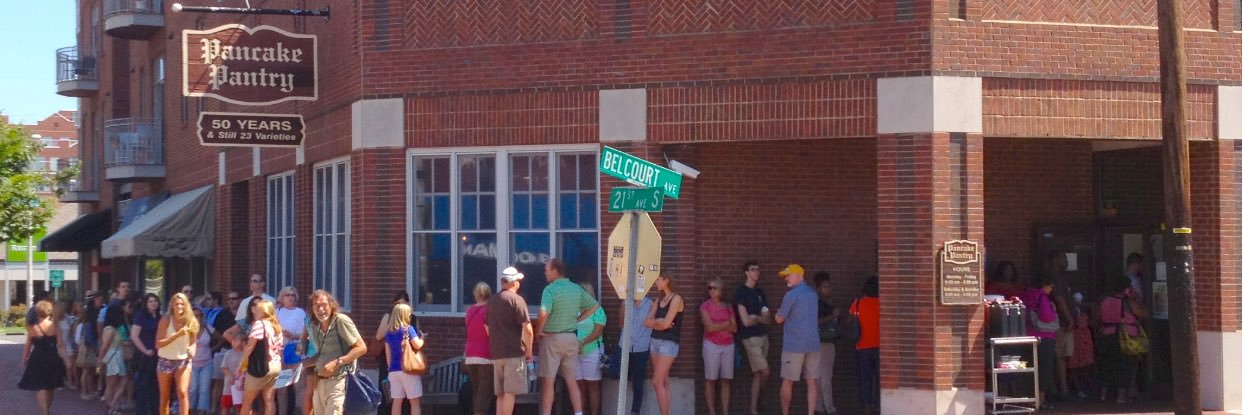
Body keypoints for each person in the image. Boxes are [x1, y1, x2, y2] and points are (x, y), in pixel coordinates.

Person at [535, 258, 599, 415]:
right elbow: (594, 306)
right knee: (572, 380)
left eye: (547, 270)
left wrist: (539, 329)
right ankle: (578, 413)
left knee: (548, 382)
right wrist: (577, 319)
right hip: (571, 338)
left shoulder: (549, 290)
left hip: (552, 338)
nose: (545, 273)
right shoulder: (576, 288)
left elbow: (544, 312)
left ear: (555, 271)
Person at [306, 290, 367, 415]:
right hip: (320, 382)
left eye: (324, 305)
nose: (321, 309)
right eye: (317, 306)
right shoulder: (315, 325)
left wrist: (337, 362)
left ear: (331, 305)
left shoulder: (341, 320)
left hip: (339, 381)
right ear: (312, 308)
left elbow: (361, 348)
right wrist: (300, 365)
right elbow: (322, 354)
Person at [773, 265, 820, 415]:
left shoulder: (791, 295)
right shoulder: (813, 294)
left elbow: (780, 319)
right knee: (812, 381)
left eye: (789, 275)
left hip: (794, 345)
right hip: (813, 344)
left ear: (800, 276)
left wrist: (775, 314)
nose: (786, 278)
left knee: (788, 380)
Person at [487, 267, 533, 415]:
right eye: (518, 280)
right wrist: (529, 351)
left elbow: (486, 326)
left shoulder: (493, 300)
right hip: (513, 352)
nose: (519, 283)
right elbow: (528, 329)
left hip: (497, 353)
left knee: (500, 393)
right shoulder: (517, 300)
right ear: (514, 283)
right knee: (510, 393)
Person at [1097, 275, 1147, 404]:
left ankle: (1103, 394)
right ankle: (1121, 396)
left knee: (1107, 364)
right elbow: (1142, 313)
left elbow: (1097, 317)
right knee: (1125, 365)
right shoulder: (1127, 301)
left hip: (1106, 334)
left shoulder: (1104, 299)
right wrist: (1135, 296)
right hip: (1125, 337)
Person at [734, 260, 773, 415]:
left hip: (763, 336)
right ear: (746, 273)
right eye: (753, 269)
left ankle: (754, 409)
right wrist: (757, 318)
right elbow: (745, 321)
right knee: (766, 372)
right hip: (750, 338)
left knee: (758, 374)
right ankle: (760, 400)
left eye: (758, 269)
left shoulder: (760, 293)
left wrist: (755, 317)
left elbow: (768, 319)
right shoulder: (741, 293)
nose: (756, 272)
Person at [643, 274, 683, 415]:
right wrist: (658, 322)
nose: (656, 283)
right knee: (663, 381)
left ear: (666, 281)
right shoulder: (658, 299)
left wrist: (659, 322)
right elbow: (646, 322)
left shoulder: (677, 298)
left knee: (656, 381)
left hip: (669, 343)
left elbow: (666, 323)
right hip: (655, 341)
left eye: (658, 280)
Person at [19, 300, 67, 415]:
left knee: (40, 386)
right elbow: (60, 344)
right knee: (51, 385)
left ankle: (44, 412)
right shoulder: (55, 326)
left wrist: (25, 358)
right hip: (52, 357)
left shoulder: (32, 327)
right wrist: (67, 359)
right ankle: (47, 410)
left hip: (37, 358)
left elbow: (28, 345)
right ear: (49, 311)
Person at [158, 293, 201, 415]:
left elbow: (193, 342)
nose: (179, 306)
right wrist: (177, 335)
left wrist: (193, 349)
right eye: (177, 304)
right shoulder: (166, 320)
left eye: (182, 304)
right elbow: (158, 344)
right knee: (165, 396)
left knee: (182, 391)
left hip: (182, 360)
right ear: (172, 306)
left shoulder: (190, 320)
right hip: (165, 359)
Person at [238, 300, 283, 415]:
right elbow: (281, 349)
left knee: (247, 401)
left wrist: (240, 364)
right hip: (275, 365)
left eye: (258, 309)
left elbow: (250, 346)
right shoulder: (277, 326)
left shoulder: (259, 324)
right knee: (269, 400)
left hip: (261, 366)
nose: (255, 311)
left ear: (264, 311)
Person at [1022, 274, 1059, 410]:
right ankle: (1041, 400)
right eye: (1051, 287)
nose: (1051, 290)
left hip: (1028, 335)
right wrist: (1053, 309)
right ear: (1045, 285)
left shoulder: (1025, 295)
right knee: (1044, 369)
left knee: (1031, 367)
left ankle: (1030, 398)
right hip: (1044, 336)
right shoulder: (1042, 296)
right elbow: (1047, 317)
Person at [700, 277, 736, 415]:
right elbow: (709, 327)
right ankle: (712, 412)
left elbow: (735, 328)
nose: (711, 290)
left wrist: (720, 326)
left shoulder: (728, 306)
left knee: (726, 380)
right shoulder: (705, 306)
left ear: (720, 290)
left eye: (714, 288)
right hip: (712, 345)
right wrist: (726, 324)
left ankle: (725, 412)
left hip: (728, 345)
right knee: (711, 379)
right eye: (709, 287)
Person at [383, 303, 425, 415]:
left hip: (393, 370)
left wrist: (389, 367)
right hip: (408, 369)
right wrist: (422, 338)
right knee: (414, 401)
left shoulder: (388, 333)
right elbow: (417, 345)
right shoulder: (408, 329)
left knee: (397, 401)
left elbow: (388, 353)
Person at [618, 292, 653, 415]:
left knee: (638, 380)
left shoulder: (650, 304)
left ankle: (635, 411)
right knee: (622, 377)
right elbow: (621, 323)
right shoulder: (625, 303)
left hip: (641, 346)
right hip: (626, 345)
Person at [575, 282, 607, 415]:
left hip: (592, 351)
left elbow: (597, 331)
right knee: (579, 386)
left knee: (592, 385)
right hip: (575, 353)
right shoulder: (574, 310)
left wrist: (582, 342)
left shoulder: (598, 310)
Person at [850, 276, 880, 414]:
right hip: (881, 347)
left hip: (862, 347)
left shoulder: (858, 303)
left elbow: (850, 320)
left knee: (865, 380)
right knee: (880, 380)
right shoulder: (883, 303)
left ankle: (867, 409)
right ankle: (880, 407)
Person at [463, 282, 494, 415]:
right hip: (486, 355)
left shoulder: (469, 311)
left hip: (470, 355)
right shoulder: (489, 310)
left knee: (476, 390)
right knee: (484, 392)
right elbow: (490, 333)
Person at [275, 287, 307, 415]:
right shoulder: (277, 312)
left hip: (295, 351)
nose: (290, 297)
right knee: (281, 388)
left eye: (293, 295)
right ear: (282, 298)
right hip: (281, 353)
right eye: (287, 295)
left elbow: (305, 336)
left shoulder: (300, 313)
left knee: (299, 387)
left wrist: (293, 336)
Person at [813, 272, 839, 415]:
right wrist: (833, 316)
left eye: (829, 286)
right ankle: (829, 408)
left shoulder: (821, 303)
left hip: (820, 342)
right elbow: (816, 322)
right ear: (818, 288)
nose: (828, 289)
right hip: (824, 342)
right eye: (825, 287)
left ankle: (819, 407)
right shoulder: (820, 304)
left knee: (819, 376)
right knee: (826, 377)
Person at [210, 291, 241, 415]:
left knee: (237, 381)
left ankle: (235, 407)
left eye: (234, 298)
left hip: (239, 352)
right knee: (219, 381)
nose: (232, 301)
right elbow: (216, 332)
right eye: (229, 299)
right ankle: (213, 408)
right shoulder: (222, 314)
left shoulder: (244, 315)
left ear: (240, 300)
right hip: (224, 350)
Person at [133, 293, 163, 415]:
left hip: (157, 355)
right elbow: (134, 336)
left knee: (155, 388)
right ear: (146, 304)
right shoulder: (141, 316)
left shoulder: (159, 317)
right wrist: (145, 350)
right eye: (150, 301)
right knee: (143, 387)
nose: (153, 303)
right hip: (144, 357)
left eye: (155, 301)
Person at [99, 301, 131, 415]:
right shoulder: (110, 329)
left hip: (116, 356)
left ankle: (112, 406)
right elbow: (105, 346)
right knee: (112, 385)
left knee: (118, 383)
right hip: (113, 357)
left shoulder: (113, 328)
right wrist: (100, 360)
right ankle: (111, 407)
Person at [191, 307, 215, 415]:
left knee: (204, 389)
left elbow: (222, 338)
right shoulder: (188, 330)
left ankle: (202, 411)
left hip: (207, 363)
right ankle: (190, 410)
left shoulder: (208, 328)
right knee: (193, 389)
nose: (198, 318)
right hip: (192, 363)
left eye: (200, 315)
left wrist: (213, 349)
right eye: (195, 315)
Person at [78, 292, 102, 401]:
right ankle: (84, 392)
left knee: (90, 370)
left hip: (90, 344)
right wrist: (94, 347)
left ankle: (90, 391)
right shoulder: (89, 317)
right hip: (88, 346)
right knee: (86, 370)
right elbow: (89, 334)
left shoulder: (93, 311)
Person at [55, 299, 80, 391]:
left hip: (67, 344)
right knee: (59, 365)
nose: (64, 310)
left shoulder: (66, 318)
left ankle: (70, 382)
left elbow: (73, 323)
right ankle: (58, 382)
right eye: (62, 308)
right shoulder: (54, 321)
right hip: (58, 344)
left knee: (70, 365)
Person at [220, 331, 245, 415]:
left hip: (241, 384)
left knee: (240, 406)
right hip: (229, 385)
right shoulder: (228, 353)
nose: (233, 343)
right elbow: (224, 367)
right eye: (232, 341)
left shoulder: (245, 354)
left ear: (243, 342)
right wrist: (229, 375)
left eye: (236, 341)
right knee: (226, 404)